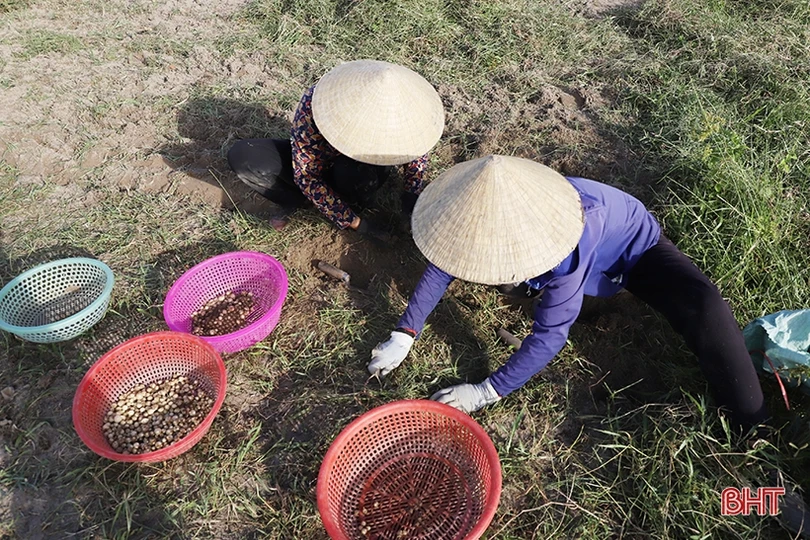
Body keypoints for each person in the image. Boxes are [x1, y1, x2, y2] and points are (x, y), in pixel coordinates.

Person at [368, 154, 810, 536]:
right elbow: (444, 264)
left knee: (705, 305)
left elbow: (549, 336)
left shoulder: (566, 238)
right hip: (573, 258)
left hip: (633, 251)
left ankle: (757, 437)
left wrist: (486, 391)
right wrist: (405, 332)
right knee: (524, 282)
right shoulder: (481, 209)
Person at [228, 60, 445, 238]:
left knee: (351, 174)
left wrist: (410, 194)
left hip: (359, 169)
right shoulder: (318, 102)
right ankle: (306, 202)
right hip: (319, 159)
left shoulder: (409, 113)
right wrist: (359, 225)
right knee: (244, 155)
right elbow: (307, 176)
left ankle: (353, 199)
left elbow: (416, 149)